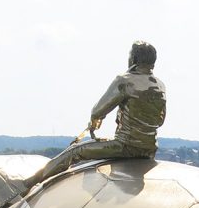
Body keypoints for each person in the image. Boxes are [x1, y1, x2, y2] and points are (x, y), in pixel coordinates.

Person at [31, 41, 166, 182]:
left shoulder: (125, 81)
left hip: (125, 147)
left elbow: (97, 111)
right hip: (149, 150)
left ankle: (31, 183)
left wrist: (95, 122)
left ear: (133, 59)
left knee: (75, 151)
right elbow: (160, 121)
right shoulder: (160, 86)